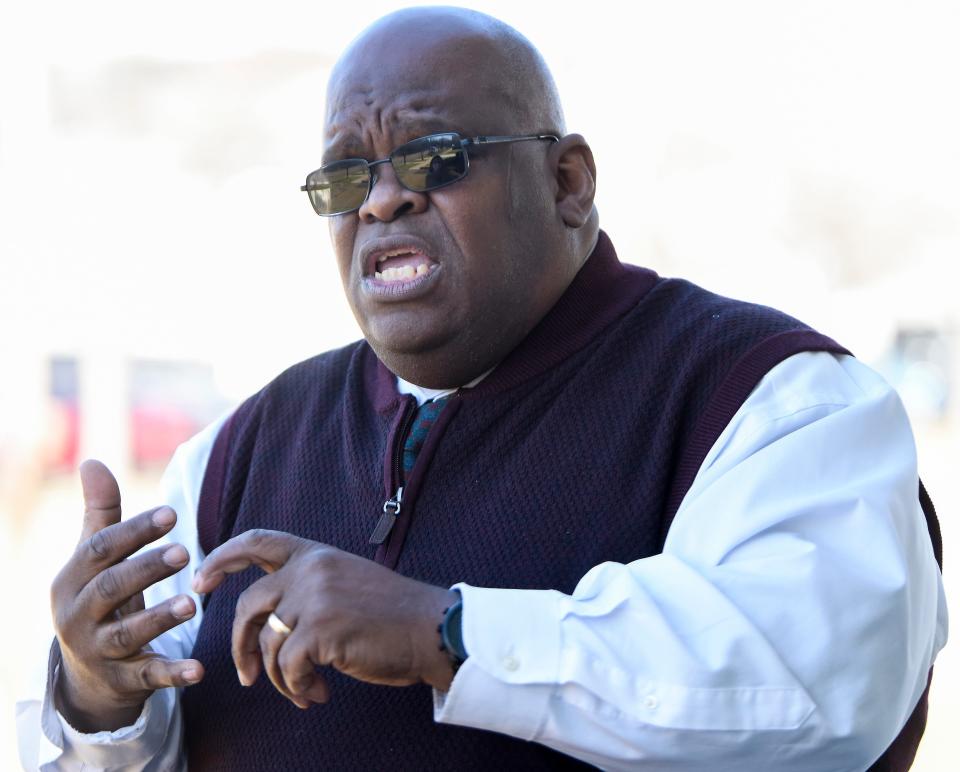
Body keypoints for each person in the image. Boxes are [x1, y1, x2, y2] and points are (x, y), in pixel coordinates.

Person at [17, 6, 947, 771]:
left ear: (568, 182)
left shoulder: (765, 397)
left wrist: (446, 631)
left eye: (434, 157)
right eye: (347, 177)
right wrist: (98, 698)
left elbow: (819, 692)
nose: (381, 199)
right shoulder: (241, 449)